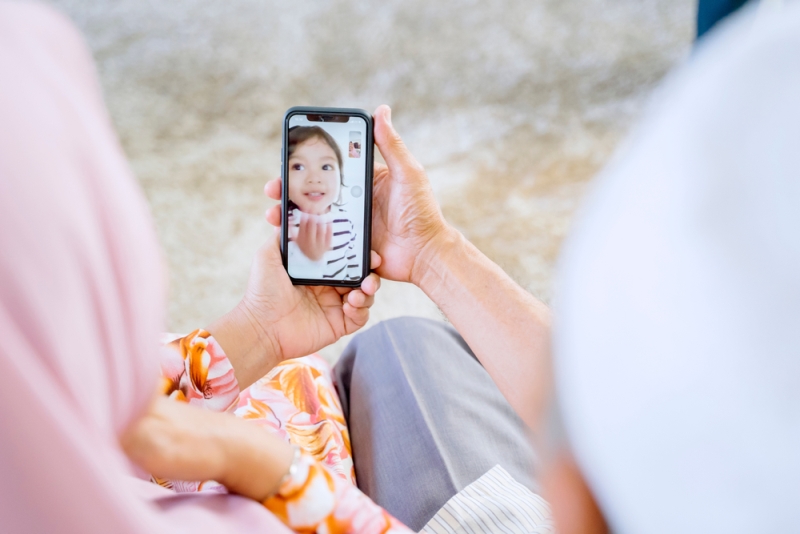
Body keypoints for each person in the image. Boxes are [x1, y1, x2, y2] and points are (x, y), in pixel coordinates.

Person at [287, 125, 360, 280]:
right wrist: (307, 258)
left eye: (326, 166)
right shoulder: (287, 225)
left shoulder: (345, 220)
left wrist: (356, 287)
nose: (314, 178)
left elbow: (352, 260)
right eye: (298, 166)